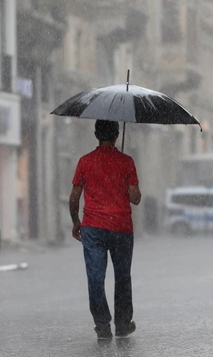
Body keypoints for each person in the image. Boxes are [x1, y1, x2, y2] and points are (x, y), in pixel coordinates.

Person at [69, 120, 141, 340]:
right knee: (122, 277)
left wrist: (75, 222)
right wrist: (126, 188)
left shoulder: (85, 161)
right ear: (117, 135)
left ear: (96, 134)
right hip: (121, 227)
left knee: (95, 278)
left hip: (93, 228)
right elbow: (135, 198)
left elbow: (74, 197)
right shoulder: (126, 162)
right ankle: (122, 324)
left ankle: (102, 325)